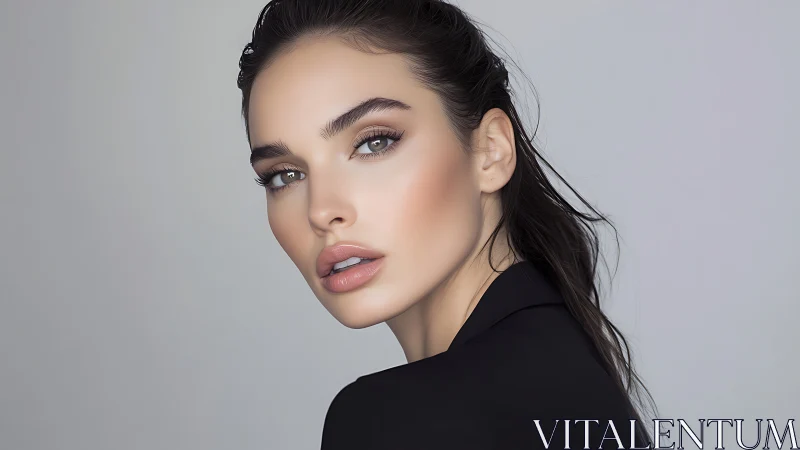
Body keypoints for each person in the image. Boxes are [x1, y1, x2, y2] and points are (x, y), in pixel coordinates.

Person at [236, 0, 657, 448]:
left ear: (490, 150)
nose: (321, 211)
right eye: (284, 175)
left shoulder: (397, 418)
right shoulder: (574, 367)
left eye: (373, 143)